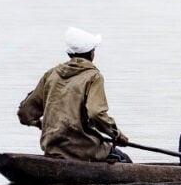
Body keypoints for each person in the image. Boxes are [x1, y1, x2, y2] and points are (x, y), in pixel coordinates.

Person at [17, 26, 131, 163]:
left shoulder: (51, 75)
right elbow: (96, 114)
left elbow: (25, 113)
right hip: (85, 149)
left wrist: (43, 125)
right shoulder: (93, 77)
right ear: (91, 54)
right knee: (124, 160)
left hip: (53, 149)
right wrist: (116, 134)